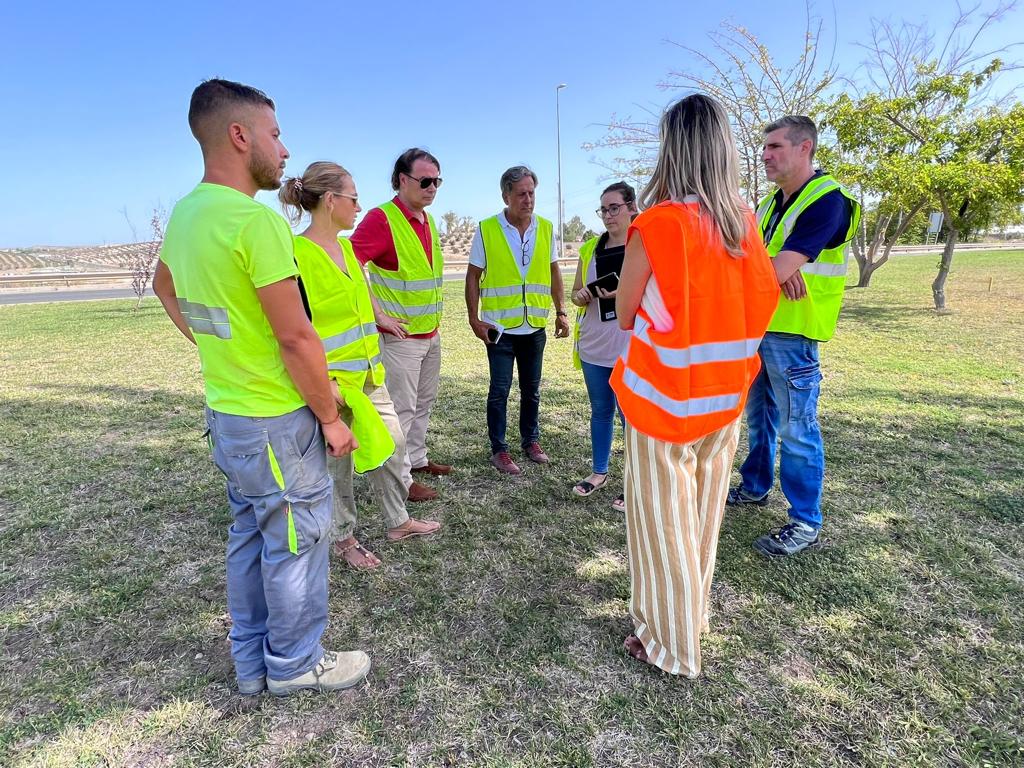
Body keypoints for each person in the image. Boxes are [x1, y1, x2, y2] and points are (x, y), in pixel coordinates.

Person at [152, 79, 369, 696]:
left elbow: (167, 286)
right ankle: (297, 663)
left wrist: (214, 345)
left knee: (250, 537)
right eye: (274, 134)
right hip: (277, 420)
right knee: (297, 544)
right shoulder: (256, 221)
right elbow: (297, 338)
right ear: (239, 135)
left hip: (228, 415)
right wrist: (329, 418)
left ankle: (253, 663)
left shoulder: (187, 212)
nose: (284, 148)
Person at [610, 93, 780, 677]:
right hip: (725, 397)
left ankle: (673, 645)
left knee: (662, 528)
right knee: (702, 523)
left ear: (672, 149)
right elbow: (761, 302)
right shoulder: (744, 223)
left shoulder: (655, 225)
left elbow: (627, 312)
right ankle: (691, 618)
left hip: (663, 402)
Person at [279, 162, 442, 571]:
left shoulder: (348, 248)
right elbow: (297, 326)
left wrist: (380, 317)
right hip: (332, 383)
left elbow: (360, 291)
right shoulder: (297, 254)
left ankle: (398, 522)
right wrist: (322, 384)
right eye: (353, 197)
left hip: (370, 375)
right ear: (331, 201)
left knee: (392, 445)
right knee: (340, 467)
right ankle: (344, 537)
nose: (358, 205)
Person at [726, 116, 861, 557]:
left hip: (794, 334)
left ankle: (805, 522)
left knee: (797, 428)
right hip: (759, 327)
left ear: (805, 149)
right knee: (758, 419)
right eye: (765, 147)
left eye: (776, 146)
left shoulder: (827, 200)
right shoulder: (768, 205)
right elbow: (746, 263)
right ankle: (755, 487)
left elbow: (772, 267)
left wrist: (778, 268)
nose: (765, 154)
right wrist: (774, 269)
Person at [350, 148, 450, 503]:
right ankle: (400, 482)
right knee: (400, 412)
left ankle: (417, 459)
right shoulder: (382, 219)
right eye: (425, 181)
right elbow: (348, 262)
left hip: (429, 333)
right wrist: (377, 314)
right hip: (401, 339)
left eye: (437, 181)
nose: (432, 188)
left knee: (424, 402)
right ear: (402, 180)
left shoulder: (427, 220)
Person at [464, 166, 571, 475]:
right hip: (499, 329)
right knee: (499, 390)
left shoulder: (547, 228)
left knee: (532, 389)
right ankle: (498, 449)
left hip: (534, 327)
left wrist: (561, 310)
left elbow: (553, 272)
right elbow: (473, 276)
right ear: (506, 196)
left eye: (532, 193)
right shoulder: (487, 229)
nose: (528, 199)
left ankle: (530, 441)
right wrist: (474, 318)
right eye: (521, 193)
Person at [569, 182, 635, 512]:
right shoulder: (590, 248)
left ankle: (634, 483)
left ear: (631, 207)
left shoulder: (644, 245)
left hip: (631, 344)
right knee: (601, 411)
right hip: (595, 342)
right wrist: (580, 295)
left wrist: (623, 295)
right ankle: (599, 472)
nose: (608, 215)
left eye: (614, 208)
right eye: (603, 209)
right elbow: (577, 291)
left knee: (630, 416)